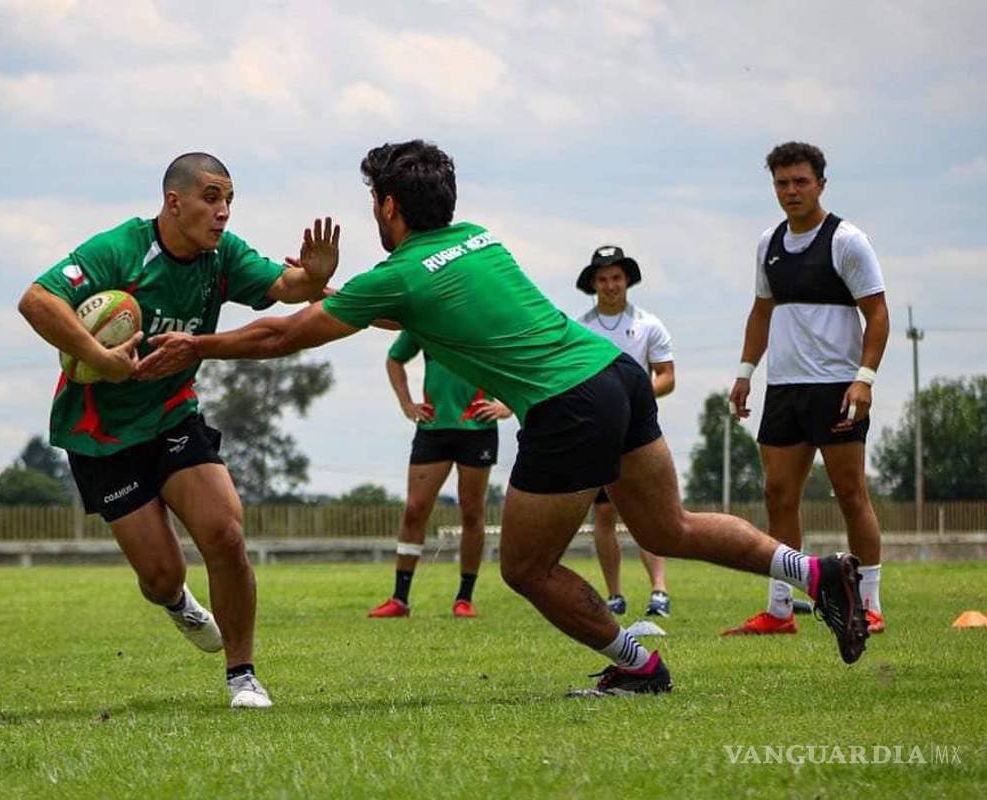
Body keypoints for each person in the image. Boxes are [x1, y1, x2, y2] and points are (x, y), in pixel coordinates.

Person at [136, 140, 869, 697]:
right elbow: (403, 304)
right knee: (667, 527)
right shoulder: (479, 237)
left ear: (388, 208)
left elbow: (281, 335)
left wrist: (197, 344)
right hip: (617, 378)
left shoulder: (394, 273)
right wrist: (324, 290)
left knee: (523, 567)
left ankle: (638, 666)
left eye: (374, 204)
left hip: (566, 405)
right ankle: (817, 570)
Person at [18, 152, 340, 708]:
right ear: (174, 202)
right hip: (103, 436)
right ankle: (179, 603)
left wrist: (313, 276)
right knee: (162, 577)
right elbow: (37, 300)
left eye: (229, 200)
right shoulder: (121, 248)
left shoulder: (223, 257)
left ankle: (243, 676)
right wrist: (102, 355)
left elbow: (286, 288)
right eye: (211, 198)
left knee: (226, 532)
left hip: (172, 415)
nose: (223, 213)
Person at [726, 141, 889, 636]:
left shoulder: (847, 241)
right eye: (782, 182)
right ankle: (780, 610)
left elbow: (877, 314)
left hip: (837, 387)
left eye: (800, 181)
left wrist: (864, 380)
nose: (791, 191)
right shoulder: (768, 243)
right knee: (778, 495)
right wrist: (745, 372)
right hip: (785, 389)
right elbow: (761, 311)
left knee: (849, 494)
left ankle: (868, 604)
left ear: (821, 183)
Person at [367, 330, 512, 619]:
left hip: (477, 430)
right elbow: (394, 359)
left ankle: (464, 598)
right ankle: (399, 599)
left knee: (472, 511)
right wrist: (406, 403)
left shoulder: (485, 319)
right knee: (414, 509)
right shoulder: (423, 319)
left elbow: (516, 361)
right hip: (433, 428)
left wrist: (506, 406)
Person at [574, 245, 675, 618]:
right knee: (604, 516)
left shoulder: (649, 324)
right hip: (597, 434)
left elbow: (667, 376)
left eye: (616, 277)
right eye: (603, 279)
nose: (611, 285)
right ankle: (614, 593)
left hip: (638, 430)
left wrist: (634, 394)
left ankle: (659, 591)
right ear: (593, 283)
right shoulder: (581, 328)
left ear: (627, 280)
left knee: (647, 513)